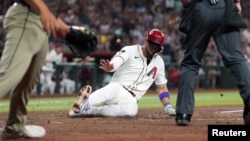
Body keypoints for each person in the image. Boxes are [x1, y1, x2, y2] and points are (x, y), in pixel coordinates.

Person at [0, 0, 70, 139]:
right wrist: (42, 8)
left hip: (41, 26)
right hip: (25, 18)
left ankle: (14, 126)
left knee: (28, 81)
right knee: (7, 77)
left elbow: (49, 12)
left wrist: (69, 32)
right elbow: (43, 8)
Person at [68, 28, 176, 118]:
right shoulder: (130, 50)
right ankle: (83, 103)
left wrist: (167, 106)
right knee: (111, 90)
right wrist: (111, 66)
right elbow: (117, 61)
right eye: (152, 44)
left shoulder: (159, 62)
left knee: (130, 111)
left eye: (156, 47)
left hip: (132, 98)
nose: (153, 48)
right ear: (146, 41)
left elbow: (162, 87)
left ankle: (90, 110)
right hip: (118, 87)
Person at [175, 0, 250, 126]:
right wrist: (236, 2)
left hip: (200, 8)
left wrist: (186, 4)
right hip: (225, 7)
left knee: (190, 63)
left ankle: (183, 113)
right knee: (236, 59)